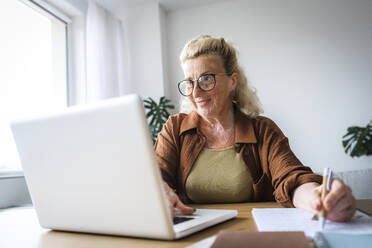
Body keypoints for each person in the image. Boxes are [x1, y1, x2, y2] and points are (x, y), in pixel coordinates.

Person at [155, 35, 356, 222]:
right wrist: (159, 188)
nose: (196, 91)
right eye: (189, 82)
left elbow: (291, 177)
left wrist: (318, 199)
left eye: (206, 78)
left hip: (250, 230)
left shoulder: (263, 130)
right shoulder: (174, 128)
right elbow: (156, 176)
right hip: (191, 234)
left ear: (232, 81)